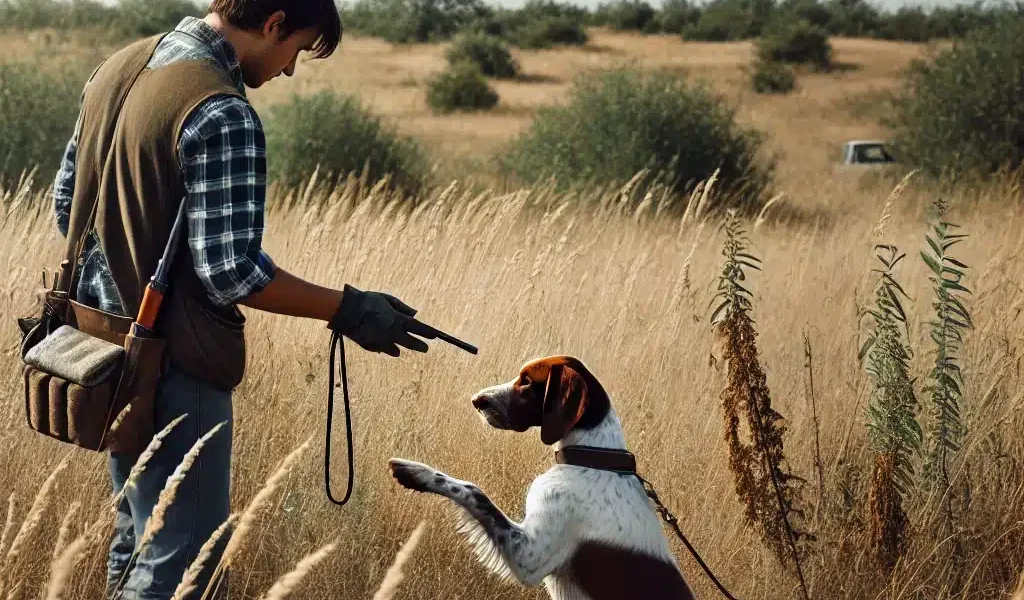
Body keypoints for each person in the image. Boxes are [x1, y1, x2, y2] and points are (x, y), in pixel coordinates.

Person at [51, 2, 430, 598]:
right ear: (274, 22)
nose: (289, 71)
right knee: (181, 571)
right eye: (296, 50)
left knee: (136, 546)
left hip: (101, 353)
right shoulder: (222, 110)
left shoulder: (116, 68)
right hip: (175, 366)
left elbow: (66, 206)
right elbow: (231, 274)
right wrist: (349, 308)